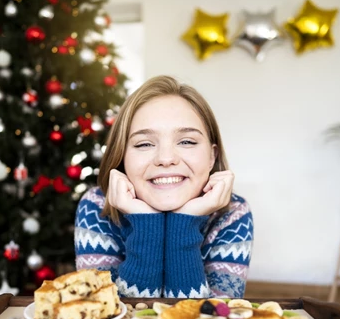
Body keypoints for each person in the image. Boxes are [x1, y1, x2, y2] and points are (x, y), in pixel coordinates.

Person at [74, 75, 253, 298]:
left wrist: (185, 226)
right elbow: (103, 316)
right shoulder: (96, 206)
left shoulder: (232, 214)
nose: (166, 159)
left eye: (186, 141)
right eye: (144, 144)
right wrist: (145, 225)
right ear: (122, 157)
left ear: (211, 156)